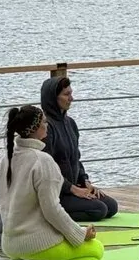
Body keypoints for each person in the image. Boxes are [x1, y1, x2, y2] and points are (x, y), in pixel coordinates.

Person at [0, 104, 104, 260]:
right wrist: (81, 234)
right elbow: (52, 209)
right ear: (36, 128)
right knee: (96, 250)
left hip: (9, 245)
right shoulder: (42, 161)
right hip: (38, 244)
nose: (47, 125)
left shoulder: (6, 159)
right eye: (44, 122)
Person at [40, 75, 120, 222]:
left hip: (73, 187)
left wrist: (85, 181)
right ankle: (50, 215)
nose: (71, 98)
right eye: (66, 95)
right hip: (58, 192)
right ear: (53, 98)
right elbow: (47, 170)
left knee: (111, 206)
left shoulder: (70, 123)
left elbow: (76, 158)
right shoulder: (46, 128)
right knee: (99, 210)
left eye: (71, 93)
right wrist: (73, 189)